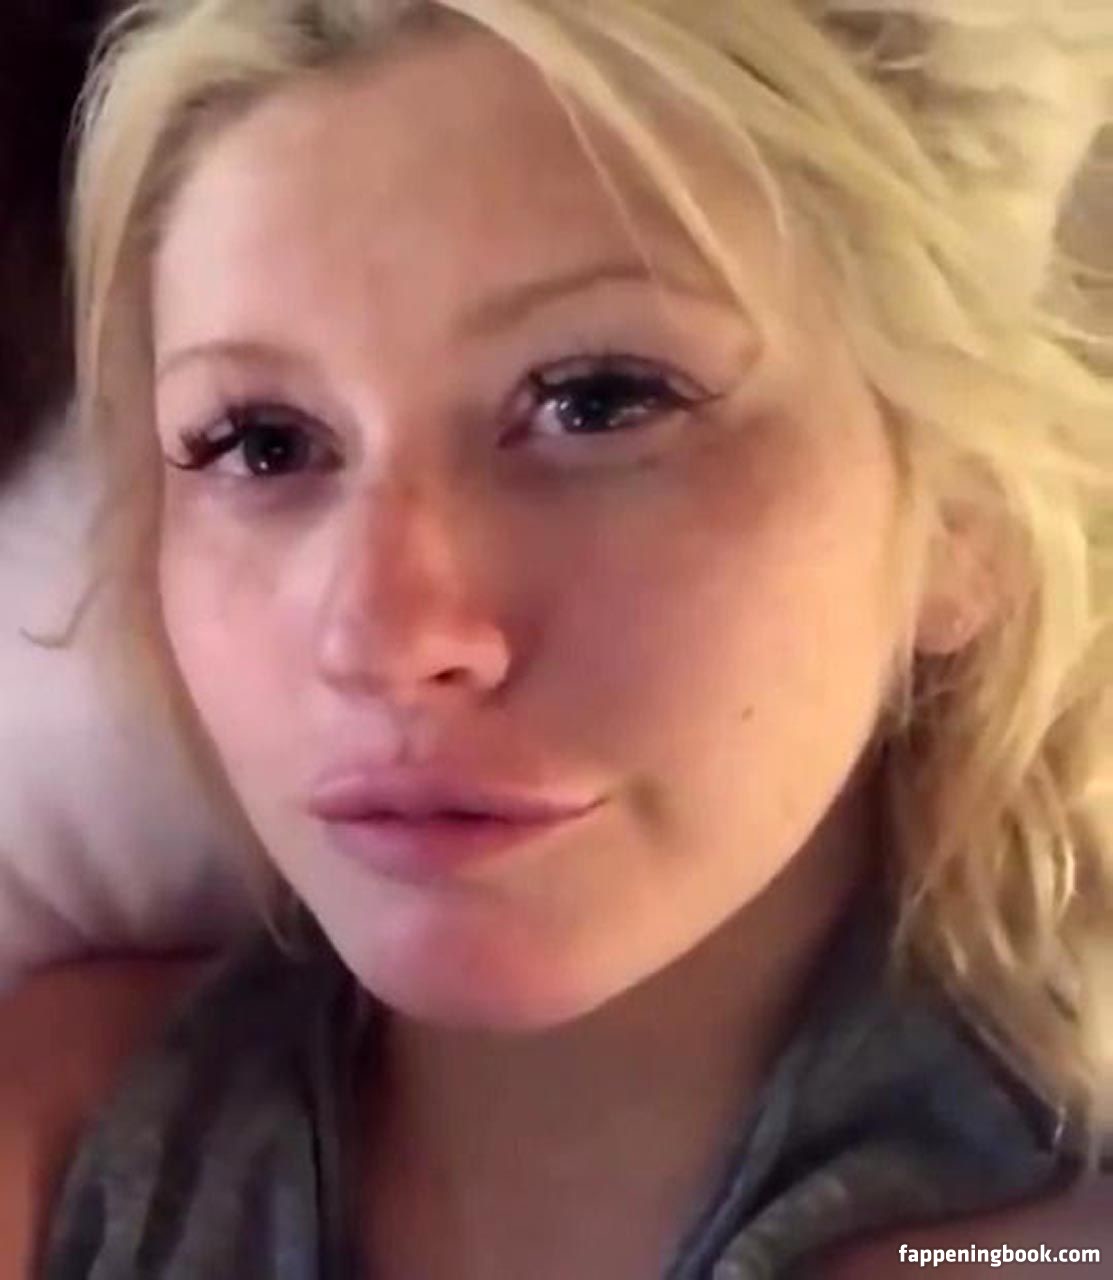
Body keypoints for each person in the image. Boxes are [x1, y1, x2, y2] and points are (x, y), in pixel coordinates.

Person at [2, 1, 1111, 1276]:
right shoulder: (63, 1150)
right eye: (263, 443)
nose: (384, 634)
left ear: (965, 516)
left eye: (597, 402)